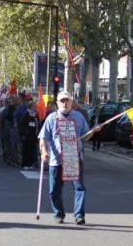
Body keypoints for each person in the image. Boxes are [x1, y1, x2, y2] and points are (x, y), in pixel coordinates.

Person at [38, 91, 101, 225]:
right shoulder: (51, 118)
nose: (64, 103)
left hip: (74, 158)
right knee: (54, 191)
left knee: (79, 188)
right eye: (62, 101)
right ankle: (59, 214)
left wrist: (93, 131)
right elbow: (43, 138)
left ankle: (79, 216)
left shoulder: (78, 117)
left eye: (67, 100)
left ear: (71, 103)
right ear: (57, 103)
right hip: (57, 160)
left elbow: (85, 137)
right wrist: (44, 152)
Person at [19, 101, 40, 170]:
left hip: (34, 136)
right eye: (34, 106)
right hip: (27, 136)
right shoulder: (26, 115)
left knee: (32, 150)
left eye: (36, 106)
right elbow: (22, 125)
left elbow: (38, 124)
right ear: (30, 107)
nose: (36, 108)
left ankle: (30, 164)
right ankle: (25, 164)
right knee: (26, 150)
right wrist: (25, 133)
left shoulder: (36, 115)